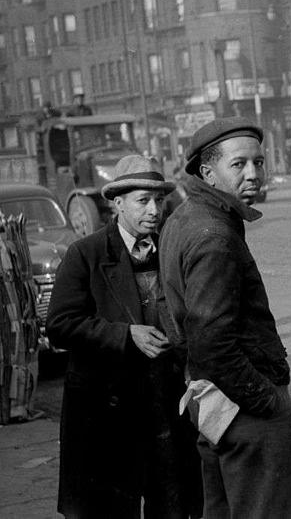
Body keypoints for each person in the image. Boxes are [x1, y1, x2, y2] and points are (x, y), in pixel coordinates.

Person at [159, 118, 291, 519]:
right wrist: (268, 401)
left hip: (213, 405)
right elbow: (212, 342)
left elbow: (174, 316)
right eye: (238, 165)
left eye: (259, 162)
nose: (254, 174)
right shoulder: (214, 236)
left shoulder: (185, 219)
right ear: (208, 172)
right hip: (245, 414)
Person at [46, 155, 202, 518]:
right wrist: (125, 335)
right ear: (117, 204)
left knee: (173, 505)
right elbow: (60, 323)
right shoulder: (85, 254)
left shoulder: (170, 251)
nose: (154, 210)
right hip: (108, 414)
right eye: (143, 201)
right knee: (113, 508)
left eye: (159, 201)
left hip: (166, 408)